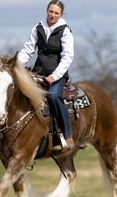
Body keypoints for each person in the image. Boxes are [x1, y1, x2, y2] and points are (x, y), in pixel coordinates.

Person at [18, 0, 75, 152]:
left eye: (56, 13)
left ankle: (67, 135)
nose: (52, 15)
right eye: (51, 11)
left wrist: (54, 76)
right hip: (38, 71)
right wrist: (14, 64)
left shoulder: (65, 31)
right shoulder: (38, 28)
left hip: (58, 74)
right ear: (47, 11)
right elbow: (28, 50)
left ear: (61, 14)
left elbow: (67, 57)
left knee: (54, 96)